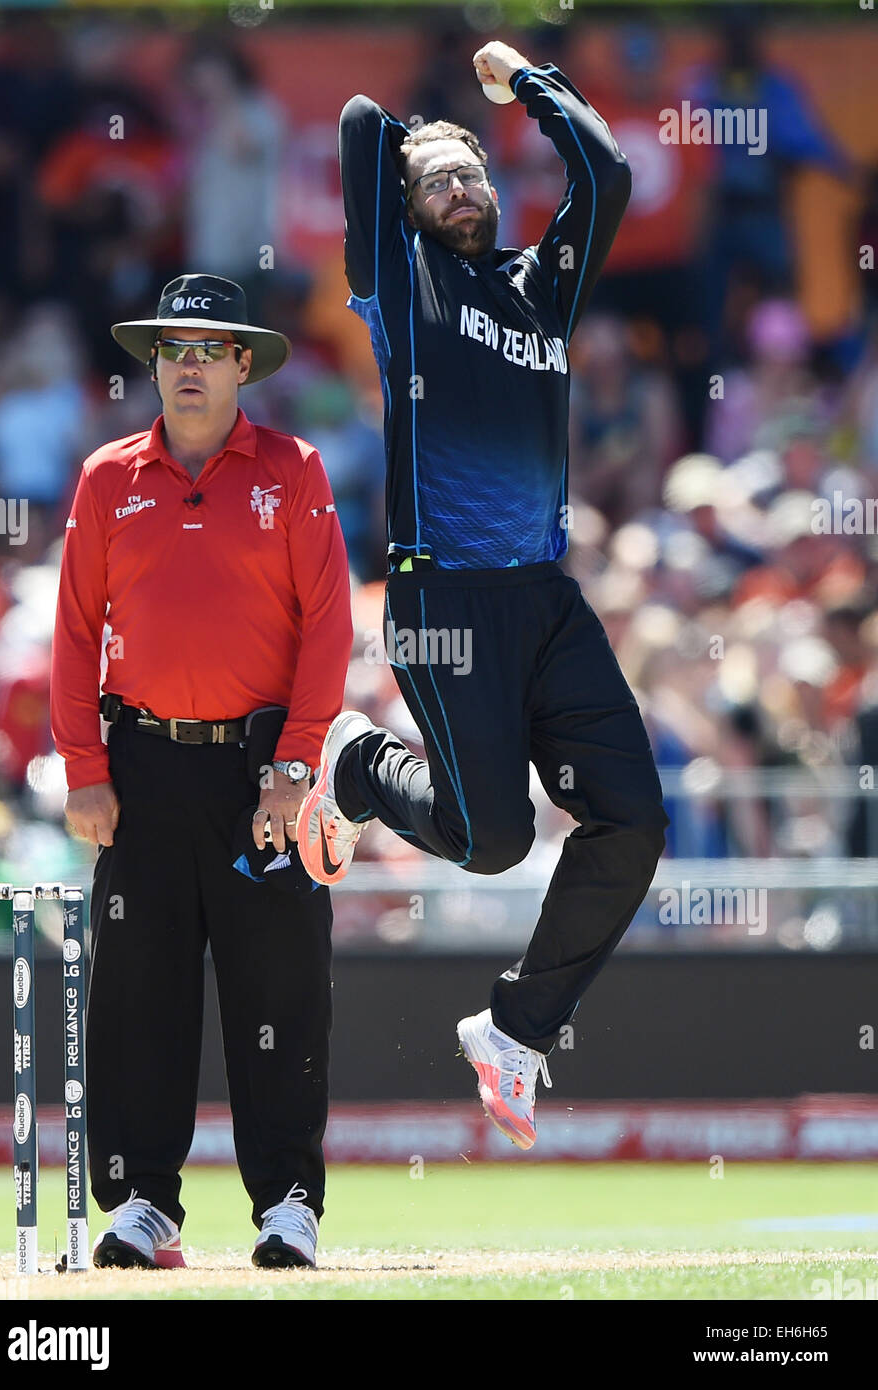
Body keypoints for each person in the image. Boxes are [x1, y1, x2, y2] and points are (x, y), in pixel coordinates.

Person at [297, 41, 668, 1149]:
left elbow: (602, 172)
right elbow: (361, 117)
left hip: (543, 600)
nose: (462, 188)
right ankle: (357, 762)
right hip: (441, 599)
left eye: (474, 174)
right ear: (404, 207)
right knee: (493, 839)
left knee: (632, 822)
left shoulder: (540, 287)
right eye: (438, 180)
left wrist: (525, 84)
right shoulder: (396, 289)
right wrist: (421, 137)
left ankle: (513, 1030)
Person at [50, 273, 352, 1268]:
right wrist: (84, 767)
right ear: (155, 365)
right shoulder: (105, 478)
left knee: (281, 986)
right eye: (171, 348)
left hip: (261, 767)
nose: (186, 365)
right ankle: (143, 1204)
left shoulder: (294, 467)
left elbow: (329, 631)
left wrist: (293, 768)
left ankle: (289, 1204)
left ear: (240, 365)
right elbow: (72, 634)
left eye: (207, 348)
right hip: (139, 765)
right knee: (140, 990)